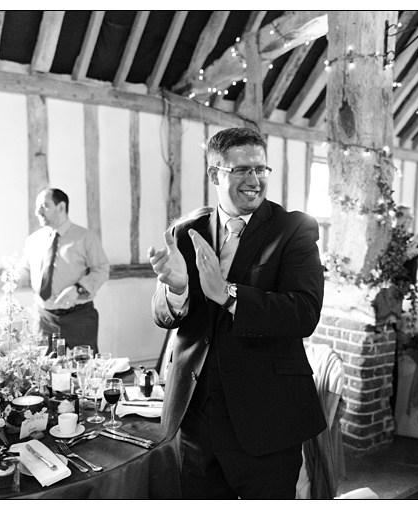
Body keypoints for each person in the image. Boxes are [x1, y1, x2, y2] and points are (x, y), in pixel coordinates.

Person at [149, 127, 326, 498]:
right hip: (195, 417)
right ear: (215, 174)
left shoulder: (294, 229)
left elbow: (304, 313)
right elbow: (164, 316)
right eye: (242, 170)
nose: (254, 180)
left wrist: (228, 295)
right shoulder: (185, 232)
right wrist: (177, 290)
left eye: (261, 169)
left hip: (267, 419)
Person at [0, 189, 110, 352]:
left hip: (79, 317)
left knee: (83, 368)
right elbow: (25, 271)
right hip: (44, 318)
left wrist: (78, 289)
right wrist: (6, 273)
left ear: (61, 207)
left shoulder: (86, 238)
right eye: (37, 207)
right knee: (43, 370)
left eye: (44, 206)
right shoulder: (33, 240)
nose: (38, 212)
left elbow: (101, 269)